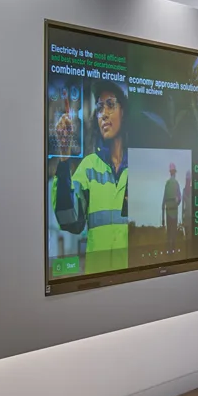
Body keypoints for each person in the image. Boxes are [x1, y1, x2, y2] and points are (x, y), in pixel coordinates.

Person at [71, 82, 130, 273]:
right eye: (99, 108)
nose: (103, 114)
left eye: (110, 105)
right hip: (98, 283)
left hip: (135, 280)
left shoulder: (139, 168)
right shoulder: (88, 167)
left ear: (124, 111)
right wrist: (64, 163)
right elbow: (69, 219)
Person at [161, 162, 182, 254]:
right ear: (174, 172)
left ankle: (169, 251)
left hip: (168, 212)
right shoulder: (176, 183)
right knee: (173, 233)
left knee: (169, 233)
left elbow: (163, 200)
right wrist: (176, 202)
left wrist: (162, 218)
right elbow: (179, 199)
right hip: (173, 211)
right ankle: (172, 251)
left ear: (170, 172)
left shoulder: (167, 183)